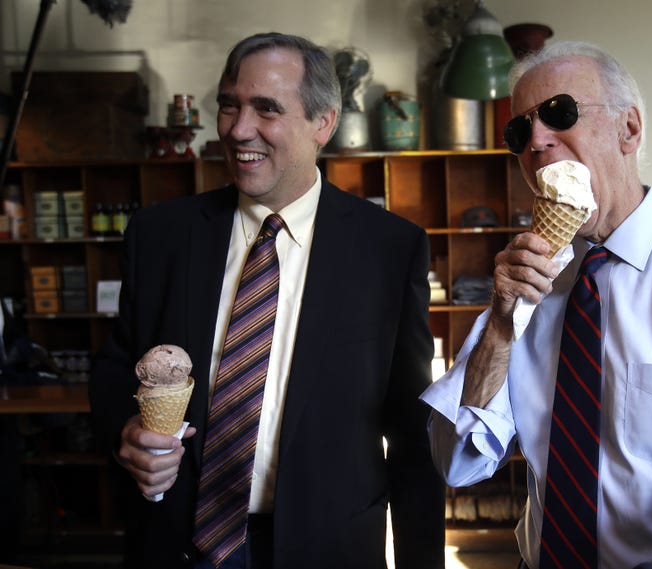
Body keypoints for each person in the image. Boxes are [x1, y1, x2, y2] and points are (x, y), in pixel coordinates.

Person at [421, 40, 652, 569]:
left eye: (559, 113)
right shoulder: (528, 283)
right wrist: (501, 330)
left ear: (629, 129)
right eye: (519, 130)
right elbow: (458, 461)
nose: (535, 142)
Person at [89, 32, 445, 569]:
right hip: (179, 544)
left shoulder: (390, 248)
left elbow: (412, 426)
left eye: (266, 109)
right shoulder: (159, 236)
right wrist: (127, 432)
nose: (237, 129)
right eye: (229, 105)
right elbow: (117, 369)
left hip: (330, 547)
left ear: (323, 123)